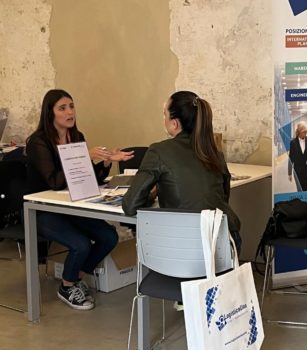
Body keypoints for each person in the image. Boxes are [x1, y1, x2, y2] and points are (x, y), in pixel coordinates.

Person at [26, 89, 133, 310]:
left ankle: (74, 278)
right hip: (42, 208)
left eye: (72, 106)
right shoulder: (38, 142)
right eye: (62, 108)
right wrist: (86, 156)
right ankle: (67, 286)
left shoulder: (77, 137)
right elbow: (54, 182)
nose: (69, 112)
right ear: (50, 113)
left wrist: (105, 162)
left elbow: (88, 178)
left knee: (108, 236)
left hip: (71, 205)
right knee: (81, 244)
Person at [122, 90, 242, 253]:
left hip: (181, 251)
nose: (163, 119)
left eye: (165, 115)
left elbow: (130, 205)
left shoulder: (158, 151)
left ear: (174, 123)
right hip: (224, 247)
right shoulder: (215, 153)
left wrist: (152, 194)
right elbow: (221, 198)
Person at [288, 121, 307, 192]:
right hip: (297, 170)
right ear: (299, 132)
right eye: (304, 131)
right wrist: (289, 173)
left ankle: (304, 202)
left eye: (306, 131)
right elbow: (291, 158)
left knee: (306, 188)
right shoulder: (293, 143)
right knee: (299, 189)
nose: (305, 133)